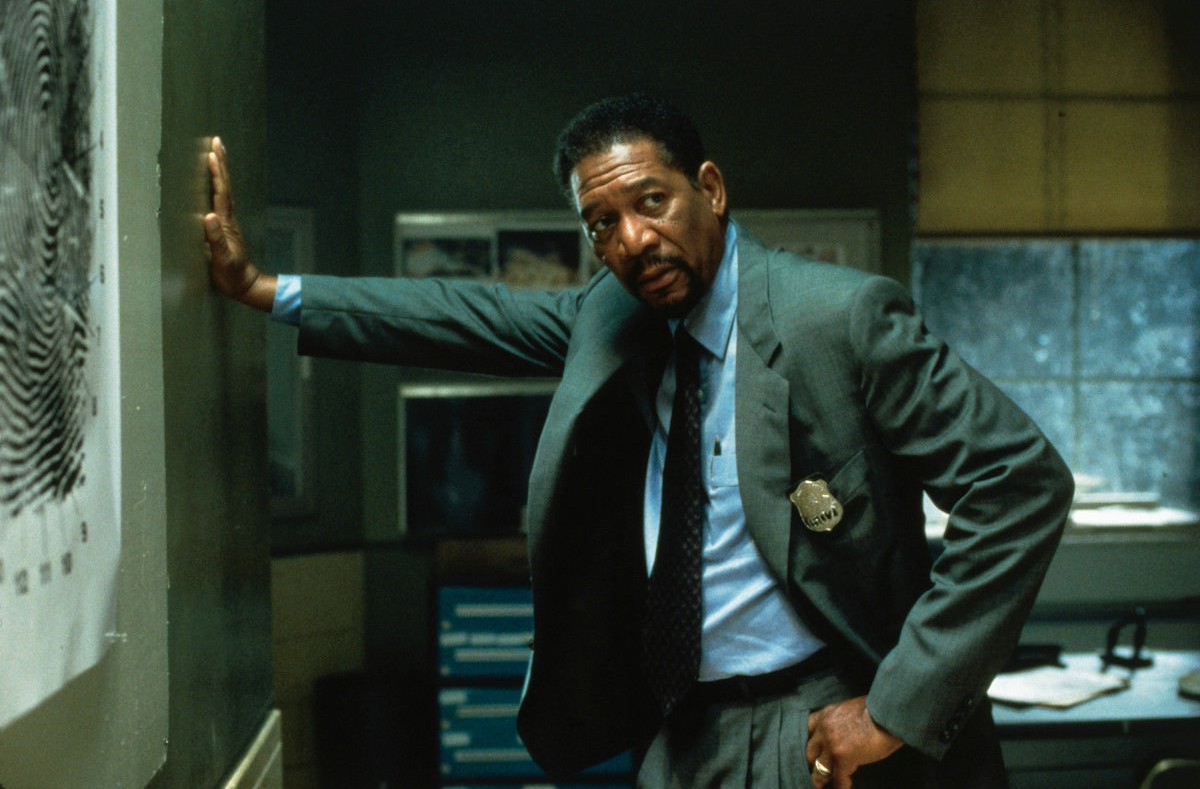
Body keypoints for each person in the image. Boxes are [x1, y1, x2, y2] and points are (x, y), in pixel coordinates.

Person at [205, 94, 1073, 788]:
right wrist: (262, 287)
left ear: (710, 189)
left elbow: (1020, 484)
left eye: (651, 202)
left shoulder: (837, 320)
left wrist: (892, 707)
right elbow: (464, 315)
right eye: (602, 223)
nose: (632, 240)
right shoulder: (615, 316)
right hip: (680, 732)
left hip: (821, 720)